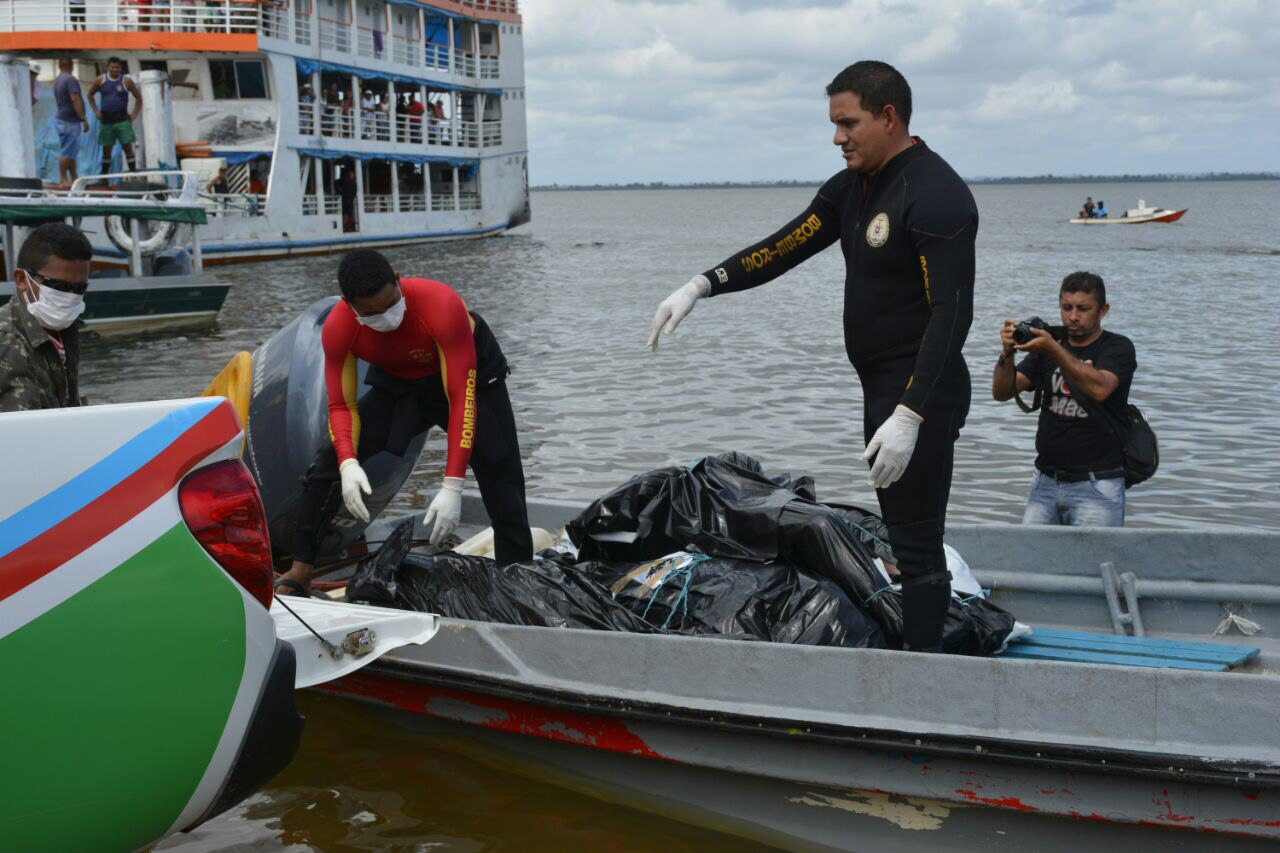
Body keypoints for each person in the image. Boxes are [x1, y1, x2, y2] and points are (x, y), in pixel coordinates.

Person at [647, 61, 977, 653]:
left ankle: (926, 684)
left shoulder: (936, 195)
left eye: (847, 123)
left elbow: (952, 316)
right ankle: (919, 663)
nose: (837, 138)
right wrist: (703, 284)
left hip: (920, 393)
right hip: (882, 389)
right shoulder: (853, 186)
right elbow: (785, 245)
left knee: (919, 549)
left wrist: (910, 415)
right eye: (833, 124)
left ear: (889, 116)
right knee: (906, 543)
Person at [273, 250, 533, 596]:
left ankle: (517, 580)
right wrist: (348, 461)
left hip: (471, 379)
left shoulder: (441, 304)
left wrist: (452, 486)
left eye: (391, 303)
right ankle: (301, 570)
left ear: (398, 278)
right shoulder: (339, 328)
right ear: (350, 306)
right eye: (372, 313)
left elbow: (461, 400)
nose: (386, 317)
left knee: (501, 473)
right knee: (326, 466)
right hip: (400, 383)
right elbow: (341, 404)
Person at [991, 272, 1136, 527]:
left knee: (1093, 564)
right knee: (1031, 562)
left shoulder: (1117, 348)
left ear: (1103, 310)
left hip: (1097, 484)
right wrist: (1007, 354)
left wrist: (1054, 349)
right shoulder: (1047, 346)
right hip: (1045, 481)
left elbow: (1100, 388)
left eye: (1083, 309)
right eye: (1066, 307)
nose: (1072, 317)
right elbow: (1003, 392)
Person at [0, 223, 92, 412]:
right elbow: (20, 431)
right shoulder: (6, 340)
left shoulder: (65, 331)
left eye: (79, 288)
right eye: (59, 287)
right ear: (22, 280)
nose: (70, 297)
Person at [87, 57, 142, 176]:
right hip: (106, 120)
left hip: (122, 120)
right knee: (106, 151)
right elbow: (90, 94)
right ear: (108, 67)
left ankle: (133, 175)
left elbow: (138, 98)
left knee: (128, 148)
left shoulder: (126, 81)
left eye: (117, 67)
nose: (115, 69)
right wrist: (96, 111)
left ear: (121, 68)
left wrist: (134, 114)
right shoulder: (100, 80)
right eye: (112, 67)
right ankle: (104, 177)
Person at [53, 59, 89, 186]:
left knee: (70, 151)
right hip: (70, 120)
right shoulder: (70, 79)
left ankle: (74, 178)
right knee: (67, 151)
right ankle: (63, 179)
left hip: (61, 119)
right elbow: (75, 99)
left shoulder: (58, 80)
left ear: (59, 66)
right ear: (72, 66)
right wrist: (83, 118)